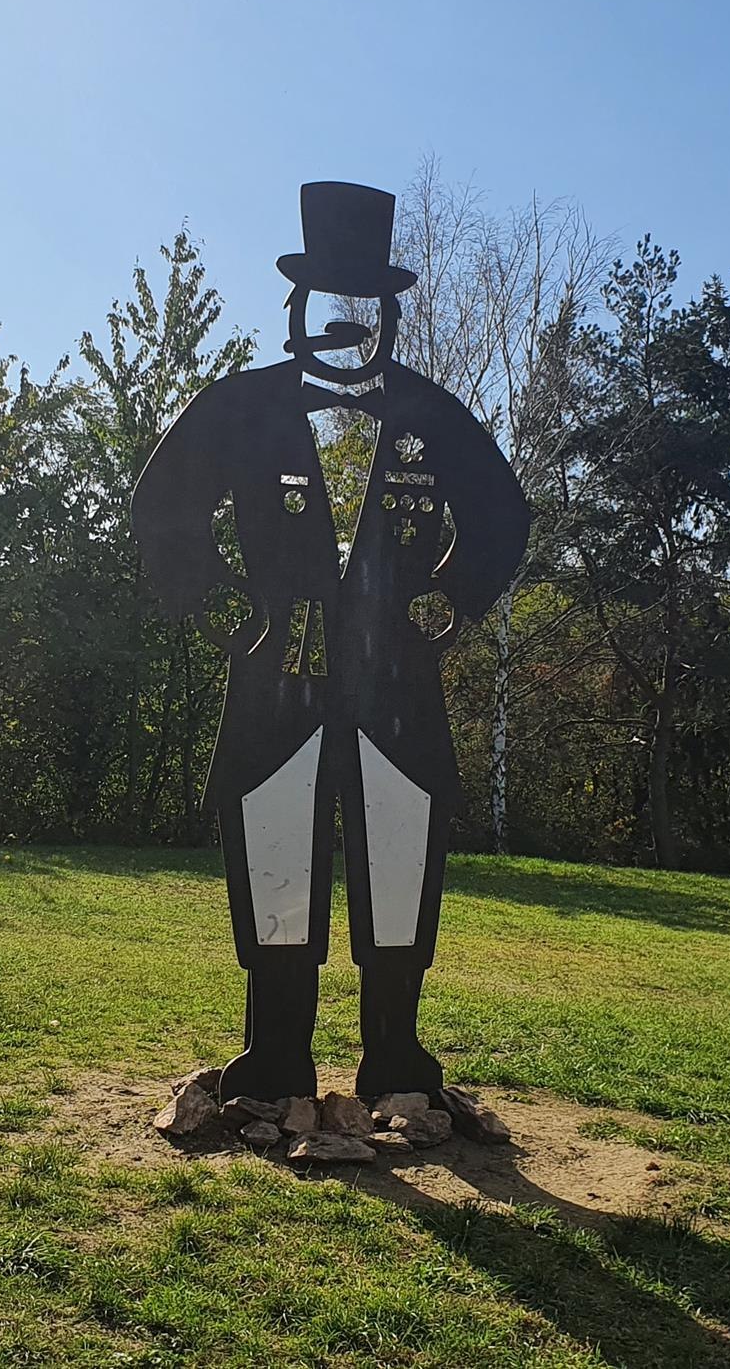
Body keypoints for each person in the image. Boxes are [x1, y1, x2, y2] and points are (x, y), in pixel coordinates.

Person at [131, 181, 530, 1103]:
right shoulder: (243, 409)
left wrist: (445, 604)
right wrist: (228, 612)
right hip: (280, 682)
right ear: (294, 308)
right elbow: (163, 510)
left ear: (388, 316)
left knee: (400, 850)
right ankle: (276, 1056)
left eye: (362, 307)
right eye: (323, 304)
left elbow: (501, 515)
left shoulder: (430, 415)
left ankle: (396, 1055)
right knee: (275, 848)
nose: (342, 327)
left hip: (395, 684)